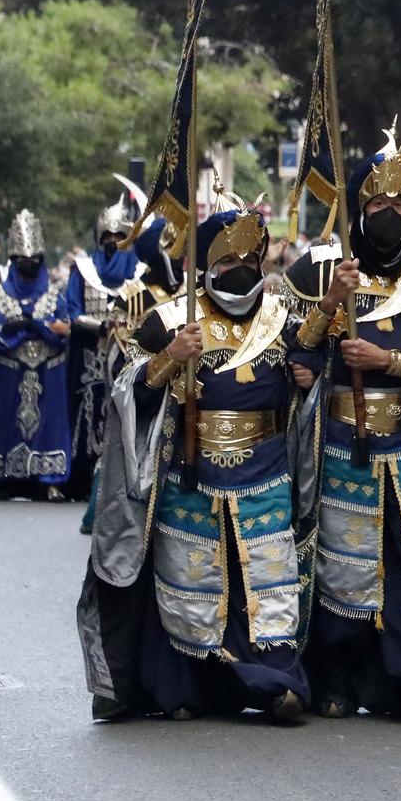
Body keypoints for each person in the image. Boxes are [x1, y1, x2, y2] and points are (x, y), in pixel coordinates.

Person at [83, 202, 315, 724]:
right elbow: (124, 392)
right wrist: (168, 360)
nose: (240, 270)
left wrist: (309, 376)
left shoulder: (282, 319)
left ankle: (274, 679)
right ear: (206, 262)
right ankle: (188, 686)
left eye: (250, 260)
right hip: (192, 474)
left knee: (267, 589)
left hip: (268, 472)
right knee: (192, 592)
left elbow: (314, 369)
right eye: (228, 260)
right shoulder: (169, 320)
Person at [285, 127, 401, 725]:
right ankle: (335, 673)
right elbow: (298, 360)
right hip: (341, 441)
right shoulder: (321, 270)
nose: (386, 215)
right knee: (346, 559)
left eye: (397, 206)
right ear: (358, 209)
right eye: (375, 205)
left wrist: (388, 362)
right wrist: (329, 307)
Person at [0, 210, 74, 500]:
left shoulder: (55, 291)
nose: (28, 263)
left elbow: (65, 327)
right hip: (9, 367)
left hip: (49, 366)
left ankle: (49, 479)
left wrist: (43, 326)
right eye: (21, 259)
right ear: (12, 261)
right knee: (6, 420)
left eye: (34, 258)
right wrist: (12, 328)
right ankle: (5, 478)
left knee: (49, 424)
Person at [63, 190, 143, 502]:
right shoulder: (83, 270)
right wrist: (100, 326)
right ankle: (83, 481)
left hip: (128, 355)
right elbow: (72, 310)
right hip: (90, 354)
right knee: (89, 411)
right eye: (108, 235)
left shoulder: (140, 271)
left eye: (120, 234)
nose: (113, 240)